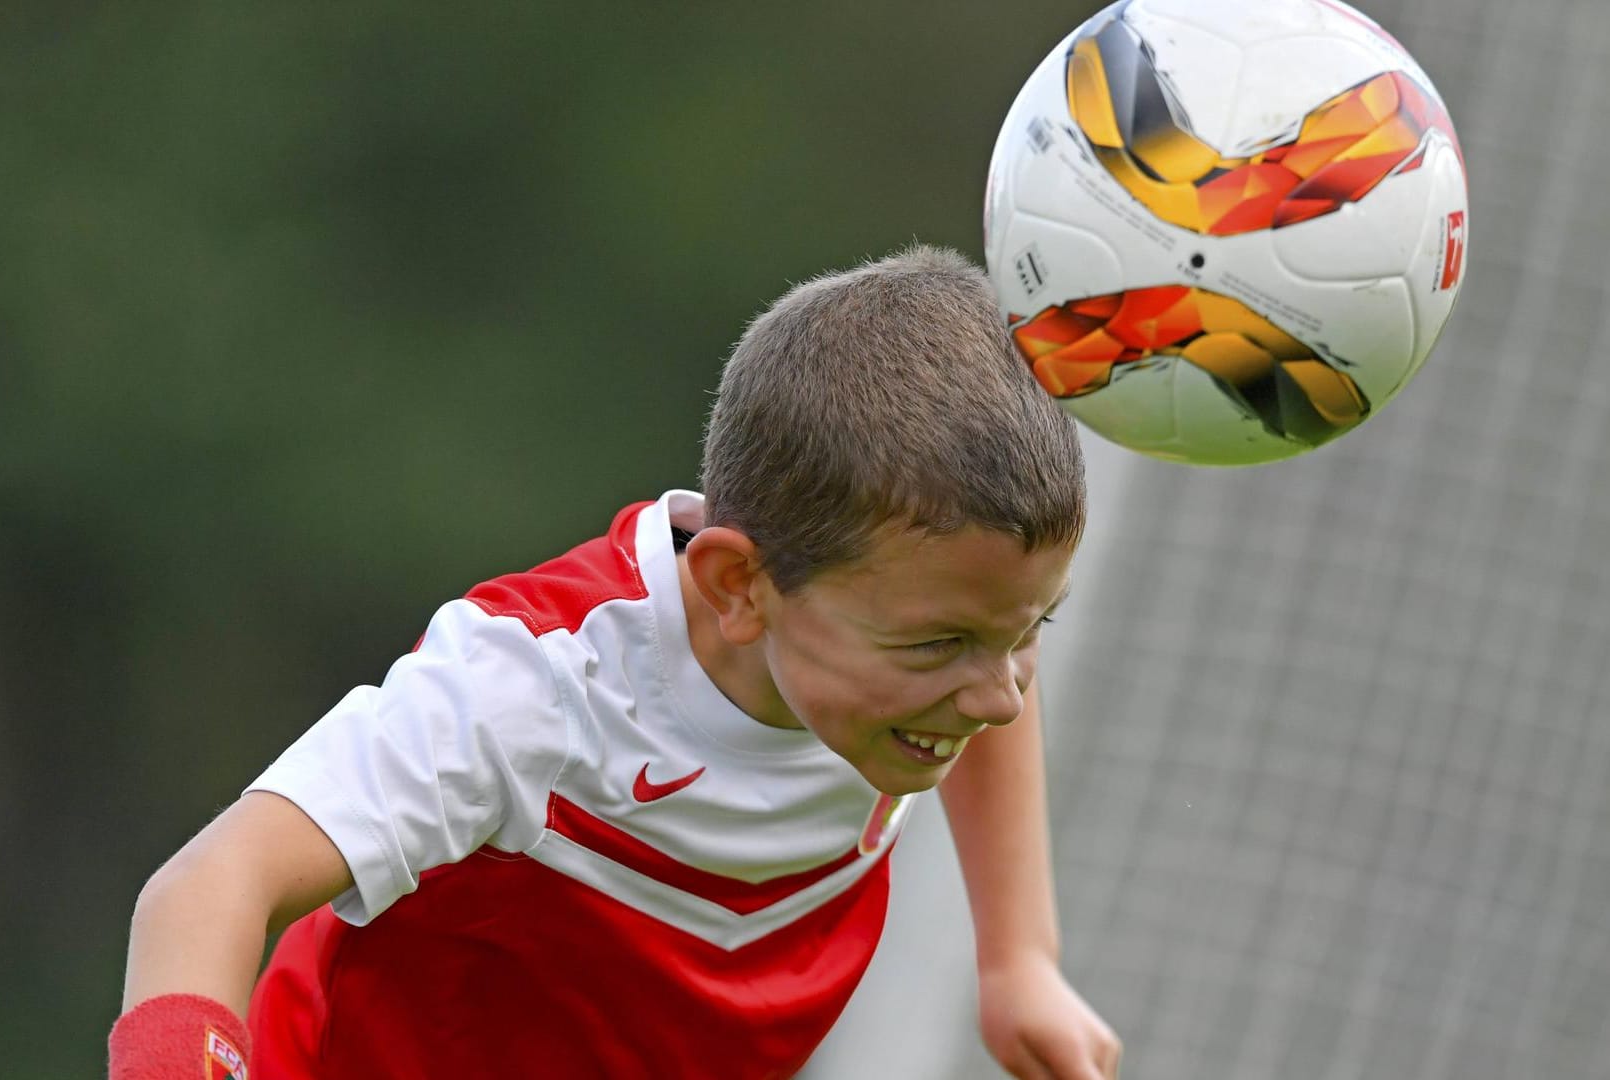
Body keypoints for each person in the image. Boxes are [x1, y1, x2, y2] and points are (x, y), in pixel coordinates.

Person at [111, 245, 1122, 1080]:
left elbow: (983, 655)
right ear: (738, 587)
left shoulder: (901, 645)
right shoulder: (532, 692)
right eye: (942, 645)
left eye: (1028, 631)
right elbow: (206, 890)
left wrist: (1018, 957)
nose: (995, 696)